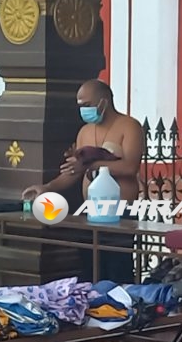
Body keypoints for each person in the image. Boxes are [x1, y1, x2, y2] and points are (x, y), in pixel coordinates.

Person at [22, 79, 144, 284]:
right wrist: (47, 187)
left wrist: (90, 165)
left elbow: (130, 167)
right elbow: (73, 171)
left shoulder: (129, 126)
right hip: (90, 210)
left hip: (119, 211)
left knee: (117, 269)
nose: (83, 110)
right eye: (80, 106)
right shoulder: (85, 131)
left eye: (87, 105)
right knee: (90, 269)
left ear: (103, 102)